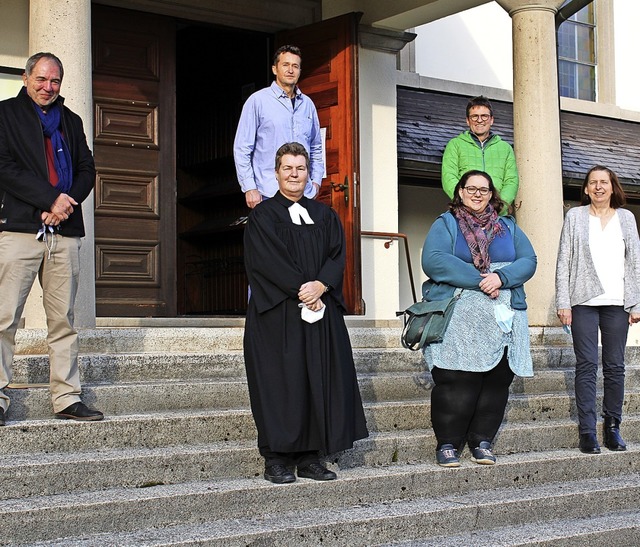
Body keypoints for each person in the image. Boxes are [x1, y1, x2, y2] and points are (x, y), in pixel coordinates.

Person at [243, 142, 368, 484]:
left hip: (320, 311)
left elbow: (336, 257)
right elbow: (266, 261)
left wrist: (322, 287)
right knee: (281, 383)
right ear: (277, 172)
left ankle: (312, 457)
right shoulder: (263, 216)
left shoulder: (326, 215)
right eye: (288, 168)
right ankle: (277, 458)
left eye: (300, 168)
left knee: (318, 379)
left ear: (308, 173)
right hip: (278, 315)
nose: (294, 174)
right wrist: (304, 289)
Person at [0, 52, 103, 426]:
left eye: (55, 81)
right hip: (20, 230)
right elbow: (4, 168)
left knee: (63, 320)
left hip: (65, 231)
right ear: (27, 78)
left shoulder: (71, 121)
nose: (48, 87)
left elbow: (87, 169)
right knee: (4, 318)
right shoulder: (6, 115)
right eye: (41, 80)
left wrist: (65, 203)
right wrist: (48, 199)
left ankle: (67, 397)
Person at [421, 170, 536, 467]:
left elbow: (528, 260)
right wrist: (480, 279)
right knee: (458, 380)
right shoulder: (445, 224)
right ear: (459, 192)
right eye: (470, 188)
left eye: (483, 190)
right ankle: (448, 443)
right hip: (461, 319)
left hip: (503, 318)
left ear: (491, 195)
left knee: (497, 380)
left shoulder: (508, 227)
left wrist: (501, 277)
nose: (477, 194)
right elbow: (434, 259)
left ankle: (482, 440)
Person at [555, 165, 640, 454]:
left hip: (617, 301)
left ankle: (613, 427)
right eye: (593, 183)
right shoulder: (575, 217)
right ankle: (587, 431)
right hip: (583, 301)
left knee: (615, 366)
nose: (599, 187)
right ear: (587, 189)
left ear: (613, 187)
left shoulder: (626, 218)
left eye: (604, 182)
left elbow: (635, 261)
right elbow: (563, 260)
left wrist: (636, 302)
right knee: (587, 364)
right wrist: (563, 302)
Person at [234, 45, 324, 209]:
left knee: (304, 235)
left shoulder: (308, 105)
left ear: (299, 71)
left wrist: (316, 181)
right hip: (268, 193)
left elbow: (316, 147)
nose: (290, 70)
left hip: (304, 193)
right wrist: (249, 187)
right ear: (275, 69)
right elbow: (242, 148)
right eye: (285, 65)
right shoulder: (258, 101)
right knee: (273, 236)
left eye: (295, 66)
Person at [441, 96, 519, 214]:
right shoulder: (455, 145)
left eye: (484, 116)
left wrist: (498, 207)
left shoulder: (506, 148)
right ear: (467, 120)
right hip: (463, 214)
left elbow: (511, 181)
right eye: (474, 116)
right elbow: (448, 177)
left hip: (497, 216)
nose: (479, 120)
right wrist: (466, 203)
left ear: (491, 120)